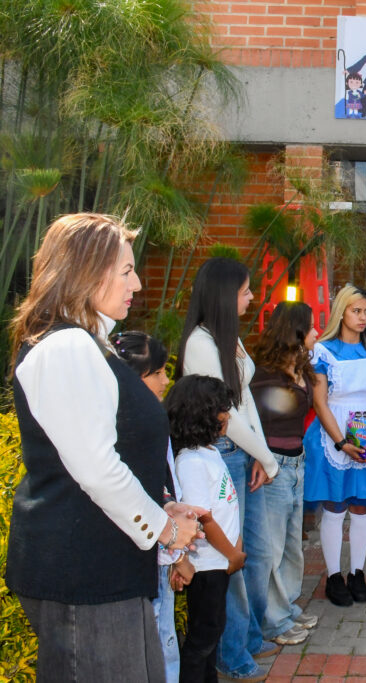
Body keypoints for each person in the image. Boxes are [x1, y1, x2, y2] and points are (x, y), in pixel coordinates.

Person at [7, 213, 200, 682]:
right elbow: (95, 467)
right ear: (86, 271)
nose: (136, 282)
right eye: (125, 270)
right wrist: (164, 530)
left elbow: (113, 449)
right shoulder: (66, 347)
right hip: (84, 575)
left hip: (107, 569)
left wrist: (165, 507)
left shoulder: (90, 343)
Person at [178, 257, 281, 683]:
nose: (252, 297)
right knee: (230, 558)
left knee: (251, 551)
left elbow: (244, 403)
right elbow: (224, 414)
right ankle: (232, 653)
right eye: (245, 291)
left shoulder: (228, 337)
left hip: (242, 452)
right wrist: (266, 455)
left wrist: (260, 453)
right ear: (224, 294)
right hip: (223, 449)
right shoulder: (201, 343)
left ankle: (248, 636)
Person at [304, 286, 366, 606]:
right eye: (356, 311)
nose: (362, 317)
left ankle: (357, 572)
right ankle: (334, 575)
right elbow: (319, 402)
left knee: (361, 505)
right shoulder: (322, 351)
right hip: (334, 433)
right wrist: (342, 442)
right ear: (341, 312)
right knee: (335, 505)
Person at [111, 330, 191, 683]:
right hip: (142, 558)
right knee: (156, 646)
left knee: (164, 641)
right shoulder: (126, 431)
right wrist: (177, 552)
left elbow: (165, 486)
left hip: (161, 550)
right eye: (156, 373)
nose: (165, 380)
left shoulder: (150, 420)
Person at [167, 375, 247, 683]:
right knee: (204, 636)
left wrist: (235, 550)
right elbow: (202, 518)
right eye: (221, 409)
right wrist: (232, 555)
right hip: (207, 564)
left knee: (213, 632)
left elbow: (228, 506)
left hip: (222, 560)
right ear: (200, 414)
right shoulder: (190, 462)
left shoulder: (210, 452)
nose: (227, 416)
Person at [251, 302, 320, 646]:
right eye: (311, 327)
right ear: (295, 331)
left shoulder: (302, 368)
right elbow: (258, 420)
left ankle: (287, 606)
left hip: (297, 461)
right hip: (273, 465)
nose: (316, 332)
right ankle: (273, 620)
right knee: (272, 547)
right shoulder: (264, 373)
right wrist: (260, 460)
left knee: (293, 543)